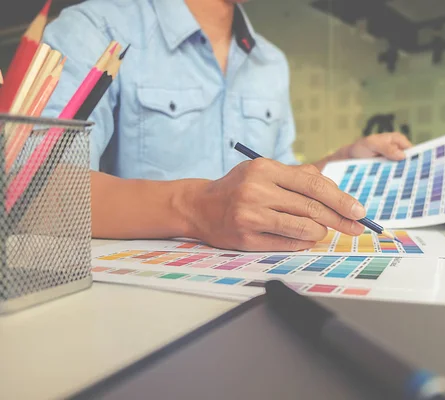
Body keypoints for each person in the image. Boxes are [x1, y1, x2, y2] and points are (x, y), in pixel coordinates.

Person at [42, 0, 412, 251]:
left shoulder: (271, 61)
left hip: (258, 290)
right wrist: (195, 208)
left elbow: (272, 178)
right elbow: (34, 191)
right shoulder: (95, 28)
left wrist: (341, 161)